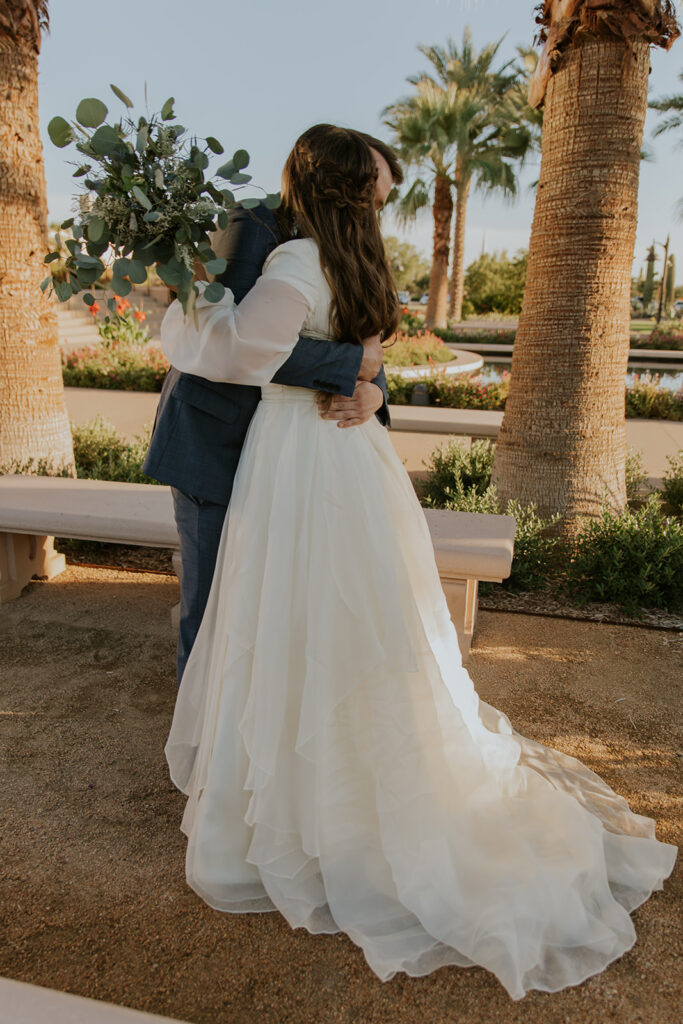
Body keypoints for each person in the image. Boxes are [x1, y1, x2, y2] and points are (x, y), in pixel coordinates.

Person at [161, 124, 676, 1000]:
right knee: (306, 614)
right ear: (350, 193)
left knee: (266, 612)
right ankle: (260, 769)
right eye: (381, 192)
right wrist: (353, 368)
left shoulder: (294, 257)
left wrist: (183, 307)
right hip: (311, 462)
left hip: (296, 460)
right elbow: (344, 346)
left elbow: (244, 350)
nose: (386, 204)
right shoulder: (322, 251)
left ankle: (267, 787)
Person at [142, 131, 403, 683]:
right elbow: (235, 346)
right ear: (340, 177)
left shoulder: (348, 245)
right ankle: (206, 748)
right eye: (370, 196)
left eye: (379, 203)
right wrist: (348, 363)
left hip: (294, 458)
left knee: (278, 608)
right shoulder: (252, 223)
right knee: (213, 608)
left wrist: (376, 389)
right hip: (216, 446)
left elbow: (365, 339)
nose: (374, 212)